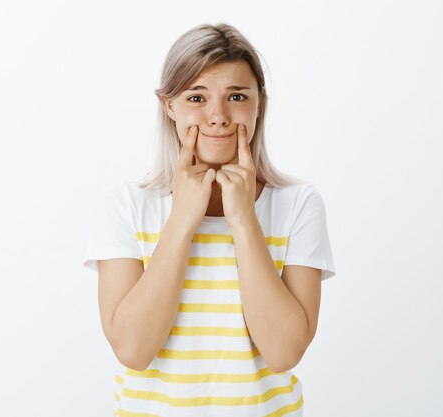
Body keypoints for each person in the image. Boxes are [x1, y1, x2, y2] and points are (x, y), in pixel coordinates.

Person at [82, 22, 336, 417]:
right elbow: (133, 350)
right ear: (170, 105)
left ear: (259, 104)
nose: (217, 116)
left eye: (236, 96)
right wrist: (183, 218)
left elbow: (284, 352)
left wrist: (244, 220)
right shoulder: (125, 204)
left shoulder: (298, 204)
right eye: (196, 97)